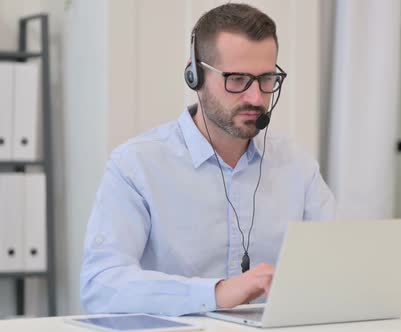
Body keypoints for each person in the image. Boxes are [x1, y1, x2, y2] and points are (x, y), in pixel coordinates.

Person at [80, 3, 335, 316]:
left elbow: (337, 267)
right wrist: (216, 292)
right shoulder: (136, 165)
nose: (256, 98)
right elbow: (100, 286)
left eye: (267, 79)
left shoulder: (296, 164)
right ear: (194, 74)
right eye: (238, 79)